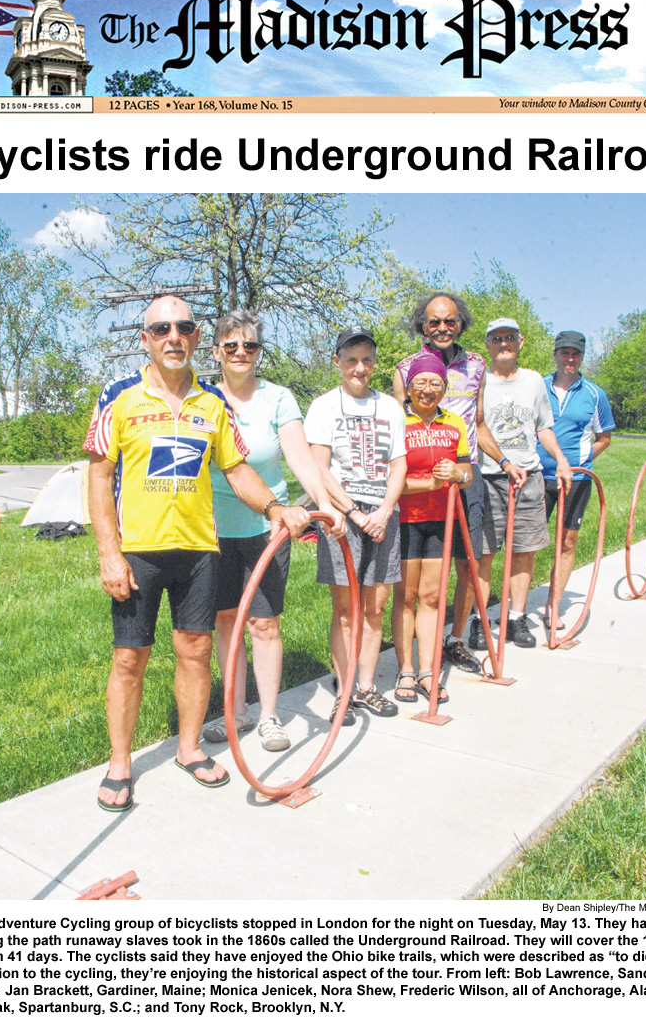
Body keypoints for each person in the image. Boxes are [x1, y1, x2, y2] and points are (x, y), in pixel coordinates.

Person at [84, 295, 309, 812]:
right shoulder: (118, 396)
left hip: (199, 550)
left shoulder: (212, 402)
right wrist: (108, 554)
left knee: (196, 651)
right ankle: (120, 765)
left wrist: (274, 507)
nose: (173, 337)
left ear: (194, 337)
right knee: (128, 658)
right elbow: (97, 476)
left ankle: (188, 749)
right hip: (139, 551)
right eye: (160, 329)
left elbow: (235, 469)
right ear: (145, 339)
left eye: (183, 327)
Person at [204, 310, 345, 753]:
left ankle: (267, 716)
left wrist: (324, 505)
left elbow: (300, 457)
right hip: (214, 527)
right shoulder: (203, 399)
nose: (241, 353)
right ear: (216, 352)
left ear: (259, 352)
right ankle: (235, 710)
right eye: (231, 346)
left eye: (250, 346)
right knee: (225, 621)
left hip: (270, 524)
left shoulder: (278, 397)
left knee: (264, 623)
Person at [394, 292, 526, 671]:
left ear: (460, 324)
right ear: (423, 325)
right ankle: (415, 654)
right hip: (420, 482)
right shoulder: (405, 368)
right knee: (417, 574)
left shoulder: (477, 365)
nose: (442, 328)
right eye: (434, 321)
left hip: (467, 473)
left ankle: (455, 637)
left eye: (450, 321)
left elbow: (479, 423)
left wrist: (503, 460)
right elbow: (400, 425)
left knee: (471, 559)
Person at [305, 326, 407, 724]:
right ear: (337, 362)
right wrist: (353, 512)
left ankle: (366, 687)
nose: (359, 367)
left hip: (383, 513)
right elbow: (319, 465)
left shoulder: (390, 408)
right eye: (351, 359)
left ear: (374, 362)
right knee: (347, 609)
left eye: (366, 359)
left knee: (375, 607)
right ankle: (344, 689)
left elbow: (399, 464)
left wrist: (383, 511)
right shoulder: (324, 406)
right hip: (342, 517)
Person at [473, 317, 572, 649]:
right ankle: (479, 620)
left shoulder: (532, 381)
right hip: (487, 477)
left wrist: (559, 459)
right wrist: (504, 462)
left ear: (521, 342)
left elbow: (543, 427)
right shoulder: (479, 380)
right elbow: (478, 428)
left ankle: (515, 618)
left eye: (510, 337)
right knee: (484, 554)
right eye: (497, 338)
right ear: (487, 344)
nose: (504, 343)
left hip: (528, 478)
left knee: (523, 551)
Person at [391, 353, 472, 704]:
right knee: (405, 598)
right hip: (405, 520)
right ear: (408, 387)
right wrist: (426, 484)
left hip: (442, 520)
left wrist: (458, 475)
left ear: (444, 388)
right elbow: (389, 479)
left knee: (432, 598)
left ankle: (428, 671)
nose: (427, 390)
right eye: (421, 383)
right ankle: (405, 669)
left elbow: (467, 474)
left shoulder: (455, 423)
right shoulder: (396, 420)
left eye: (435, 384)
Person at [537, 330, 615, 630]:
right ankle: (515, 610)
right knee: (526, 545)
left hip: (576, 480)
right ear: (555, 354)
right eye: (565, 352)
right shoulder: (538, 387)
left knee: (567, 542)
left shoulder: (594, 394)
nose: (570, 359)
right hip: (537, 476)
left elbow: (604, 437)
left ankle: (553, 606)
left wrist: (578, 462)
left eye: (576, 354)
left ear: (582, 357)